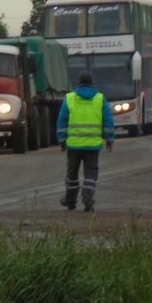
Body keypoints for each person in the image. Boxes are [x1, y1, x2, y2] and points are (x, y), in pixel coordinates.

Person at [56, 71, 114, 212]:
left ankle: (70, 200)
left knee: (72, 174)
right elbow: (108, 120)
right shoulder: (100, 99)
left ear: (79, 83)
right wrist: (109, 139)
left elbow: (62, 120)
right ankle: (88, 199)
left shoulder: (70, 98)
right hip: (92, 146)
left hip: (74, 145)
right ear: (92, 83)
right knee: (90, 174)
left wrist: (62, 140)